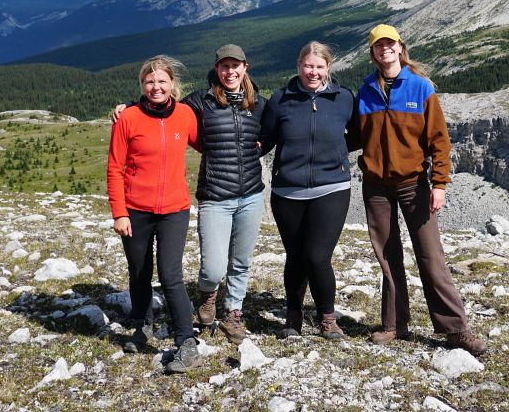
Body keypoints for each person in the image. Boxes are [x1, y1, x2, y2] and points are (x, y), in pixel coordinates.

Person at [353, 25, 487, 356]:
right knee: (387, 255)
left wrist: (439, 183)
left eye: (390, 44)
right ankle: (395, 323)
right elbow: (354, 136)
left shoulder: (420, 88)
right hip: (376, 186)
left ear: (400, 48)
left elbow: (439, 141)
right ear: (372, 53)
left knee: (430, 255)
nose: (384, 49)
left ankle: (455, 329)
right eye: (378, 46)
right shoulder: (366, 90)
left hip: (414, 183)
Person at [106, 55, 202, 373]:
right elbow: (114, 168)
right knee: (139, 270)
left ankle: (186, 341)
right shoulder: (128, 118)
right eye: (150, 82)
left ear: (172, 84)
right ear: (142, 85)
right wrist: (119, 213)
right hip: (135, 210)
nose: (156, 87)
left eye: (162, 81)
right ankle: (143, 324)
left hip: (175, 209)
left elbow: (208, 143)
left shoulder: (186, 115)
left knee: (171, 275)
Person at [260, 41, 356, 340]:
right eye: (308, 66)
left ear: (328, 67)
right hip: (288, 190)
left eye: (319, 66)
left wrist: (334, 155)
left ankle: (327, 317)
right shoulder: (281, 99)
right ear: (298, 66)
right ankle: (293, 317)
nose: (313, 72)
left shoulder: (344, 98)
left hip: (332, 187)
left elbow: (358, 134)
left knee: (317, 256)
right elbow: (266, 139)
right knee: (295, 256)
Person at [182, 44, 266, 344]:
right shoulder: (200, 102)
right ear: (216, 70)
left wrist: (262, 148)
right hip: (216, 195)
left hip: (252, 195)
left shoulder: (258, 103)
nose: (230, 71)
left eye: (236, 66)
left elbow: (269, 134)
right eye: (224, 66)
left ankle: (233, 313)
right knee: (214, 267)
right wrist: (131, 105)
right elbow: (165, 107)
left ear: (245, 67)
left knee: (240, 262)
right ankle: (207, 295)